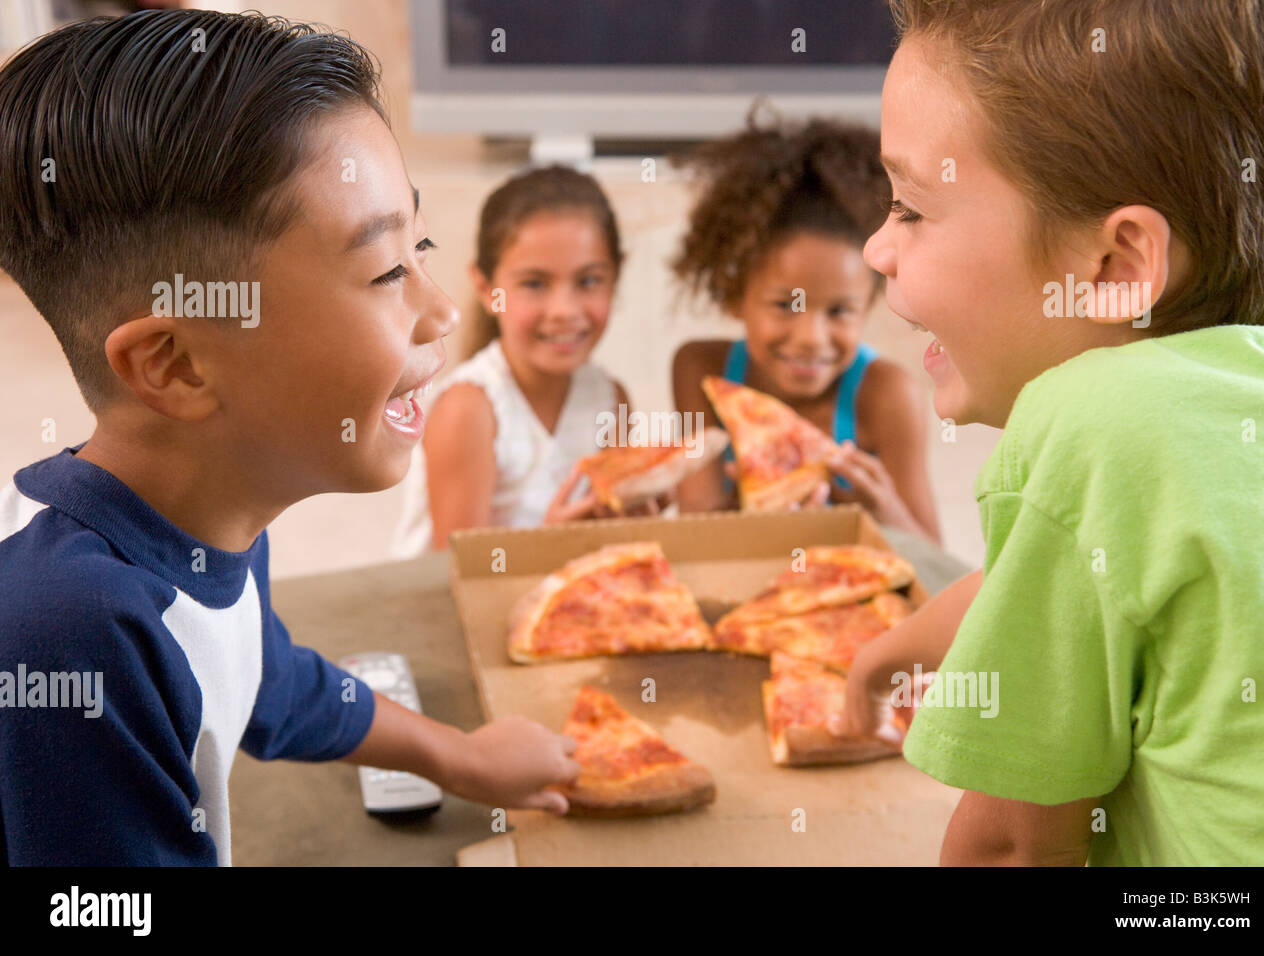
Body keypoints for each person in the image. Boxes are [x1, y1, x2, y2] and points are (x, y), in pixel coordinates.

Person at [0, 10, 579, 865]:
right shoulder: (71, 633)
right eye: (386, 271)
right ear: (178, 364)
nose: (445, 311)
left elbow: (262, 677)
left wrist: (460, 757)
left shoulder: (208, 514)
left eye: (419, 243)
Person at [836, 0, 1264, 866]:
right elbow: (1087, 575)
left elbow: (1012, 846)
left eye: (910, 209)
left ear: (1116, 267)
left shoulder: (1093, 423)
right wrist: (887, 653)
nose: (874, 249)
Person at [669, 107, 941, 542]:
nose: (811, 340)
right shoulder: (701, 370)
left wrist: (881, 510)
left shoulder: (885, 394)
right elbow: (697, 532)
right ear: (735, 295)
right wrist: (759, 496)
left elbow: (936, 566)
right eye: (784, 305)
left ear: (870, 301)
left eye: (838, 311)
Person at [395, 165, 646, 554]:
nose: (564, 310)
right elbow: (459, 575)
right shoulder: (469, 410)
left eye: (589, 280)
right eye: (534, 284)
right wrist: (549, 545)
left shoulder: (612, 400)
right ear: (486, 288)